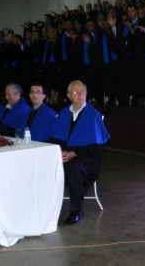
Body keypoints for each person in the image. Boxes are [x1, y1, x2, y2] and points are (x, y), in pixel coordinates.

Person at [50, 80, 110, 225]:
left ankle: (76, 211)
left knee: (75, 170)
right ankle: (46, 206)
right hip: (65, 155)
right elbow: (56, 138)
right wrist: (61, 152)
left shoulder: (93, 115)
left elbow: (97, 147)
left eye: (82, 91)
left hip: (87, 158)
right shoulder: (64, 114)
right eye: (76, 92)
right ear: (69, 95)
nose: (80, 95)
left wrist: (74, 153)